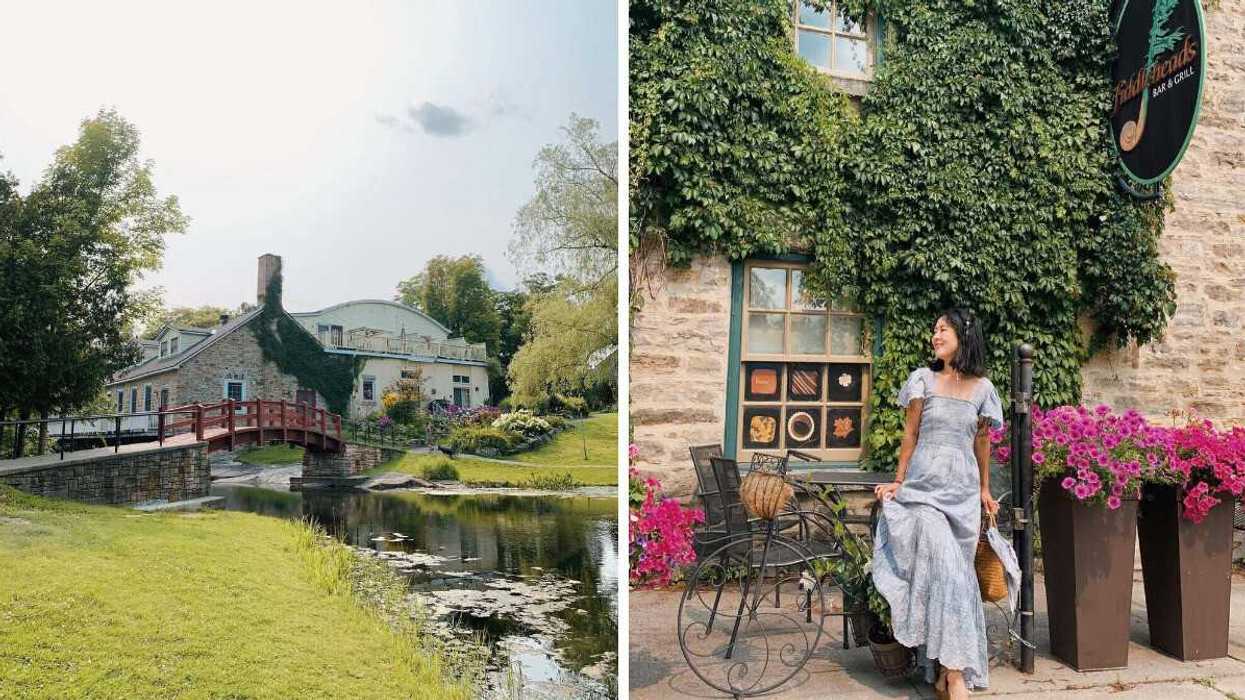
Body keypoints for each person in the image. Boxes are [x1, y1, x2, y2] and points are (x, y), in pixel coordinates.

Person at [871, 308, 1003, 699]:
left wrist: (984, 489)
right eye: (934, 329)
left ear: (964, 335)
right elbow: (910, 434)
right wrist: (899, 481)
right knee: (948, 570)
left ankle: (945, 670)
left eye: (943, 329)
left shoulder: (983, 389)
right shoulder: (922, 380)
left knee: (955, 578)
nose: (936, 335)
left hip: (962, 495)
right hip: (924, 492)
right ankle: (956, 675)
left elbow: (982, 441)